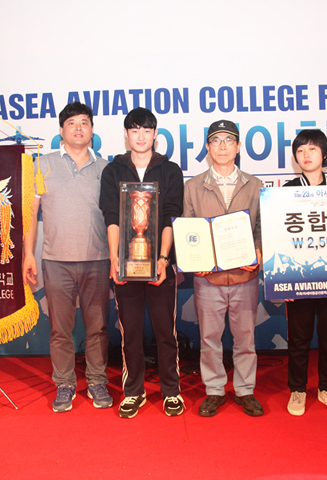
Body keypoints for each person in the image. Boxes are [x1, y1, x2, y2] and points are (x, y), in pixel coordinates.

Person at [22, 102, 112, 413]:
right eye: (71, 123)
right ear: (61, 130)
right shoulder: (42, 165)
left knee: (97, 328)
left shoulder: (106, 169)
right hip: (55, 260)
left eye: (84, 122)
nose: (78, 128)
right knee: (60, 329)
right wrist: (28, 255)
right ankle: (64, 383)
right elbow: (30, 213)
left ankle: (97, 380)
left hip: (97, 259)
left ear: (92, 130)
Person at [99, 107, 185, 418]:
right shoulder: (113, 171)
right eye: (134, 130)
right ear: (126, 134)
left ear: (155, 134)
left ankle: (171, 390)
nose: (140, 136)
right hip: (125, 266)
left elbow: (171, 215)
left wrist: (163, 258)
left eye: (146, 130)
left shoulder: (170, 170)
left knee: (166, 332)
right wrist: (115, 258)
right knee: (131, 333)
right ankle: (133, 391)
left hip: (160, 266)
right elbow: (111, 216)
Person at [182, 120, 264, 417]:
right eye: (216, 141)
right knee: (209, 340)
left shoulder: (254, 185)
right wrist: (194, 261)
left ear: (238, 147)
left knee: (246, 339)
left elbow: (261, 227)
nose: (222, 146)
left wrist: (258, 253)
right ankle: (214, 390)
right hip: (209, 279)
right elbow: (187, 230)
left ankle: (245, 389)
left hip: (245, 276)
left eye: (229, 140)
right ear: (208, 148)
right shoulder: (193, 186)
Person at [283, 129, 327, 416]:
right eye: (300, 151)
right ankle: (297, 390)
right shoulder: (285, 192)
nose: (306, 155)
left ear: (325, 153)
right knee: (298, 338)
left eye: (312, 149)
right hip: (299, 278)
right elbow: (278, 238)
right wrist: (282, 281)